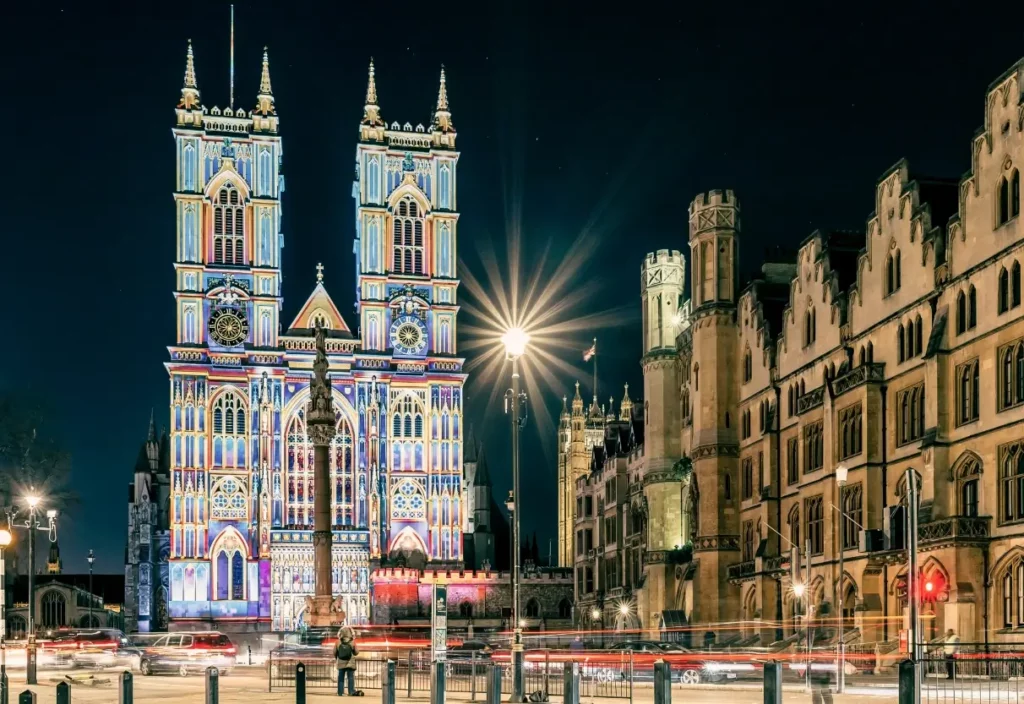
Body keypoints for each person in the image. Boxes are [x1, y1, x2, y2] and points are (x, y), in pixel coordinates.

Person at [335, 622, 358, 696]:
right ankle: (351, 691)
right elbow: (356, 652)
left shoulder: (338, 642)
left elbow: (334, 652)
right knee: (350, 677)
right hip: (350, 663)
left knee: (340, 678)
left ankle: (340, 692)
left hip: (341, 662)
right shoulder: (352, 642)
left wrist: (337, 658)